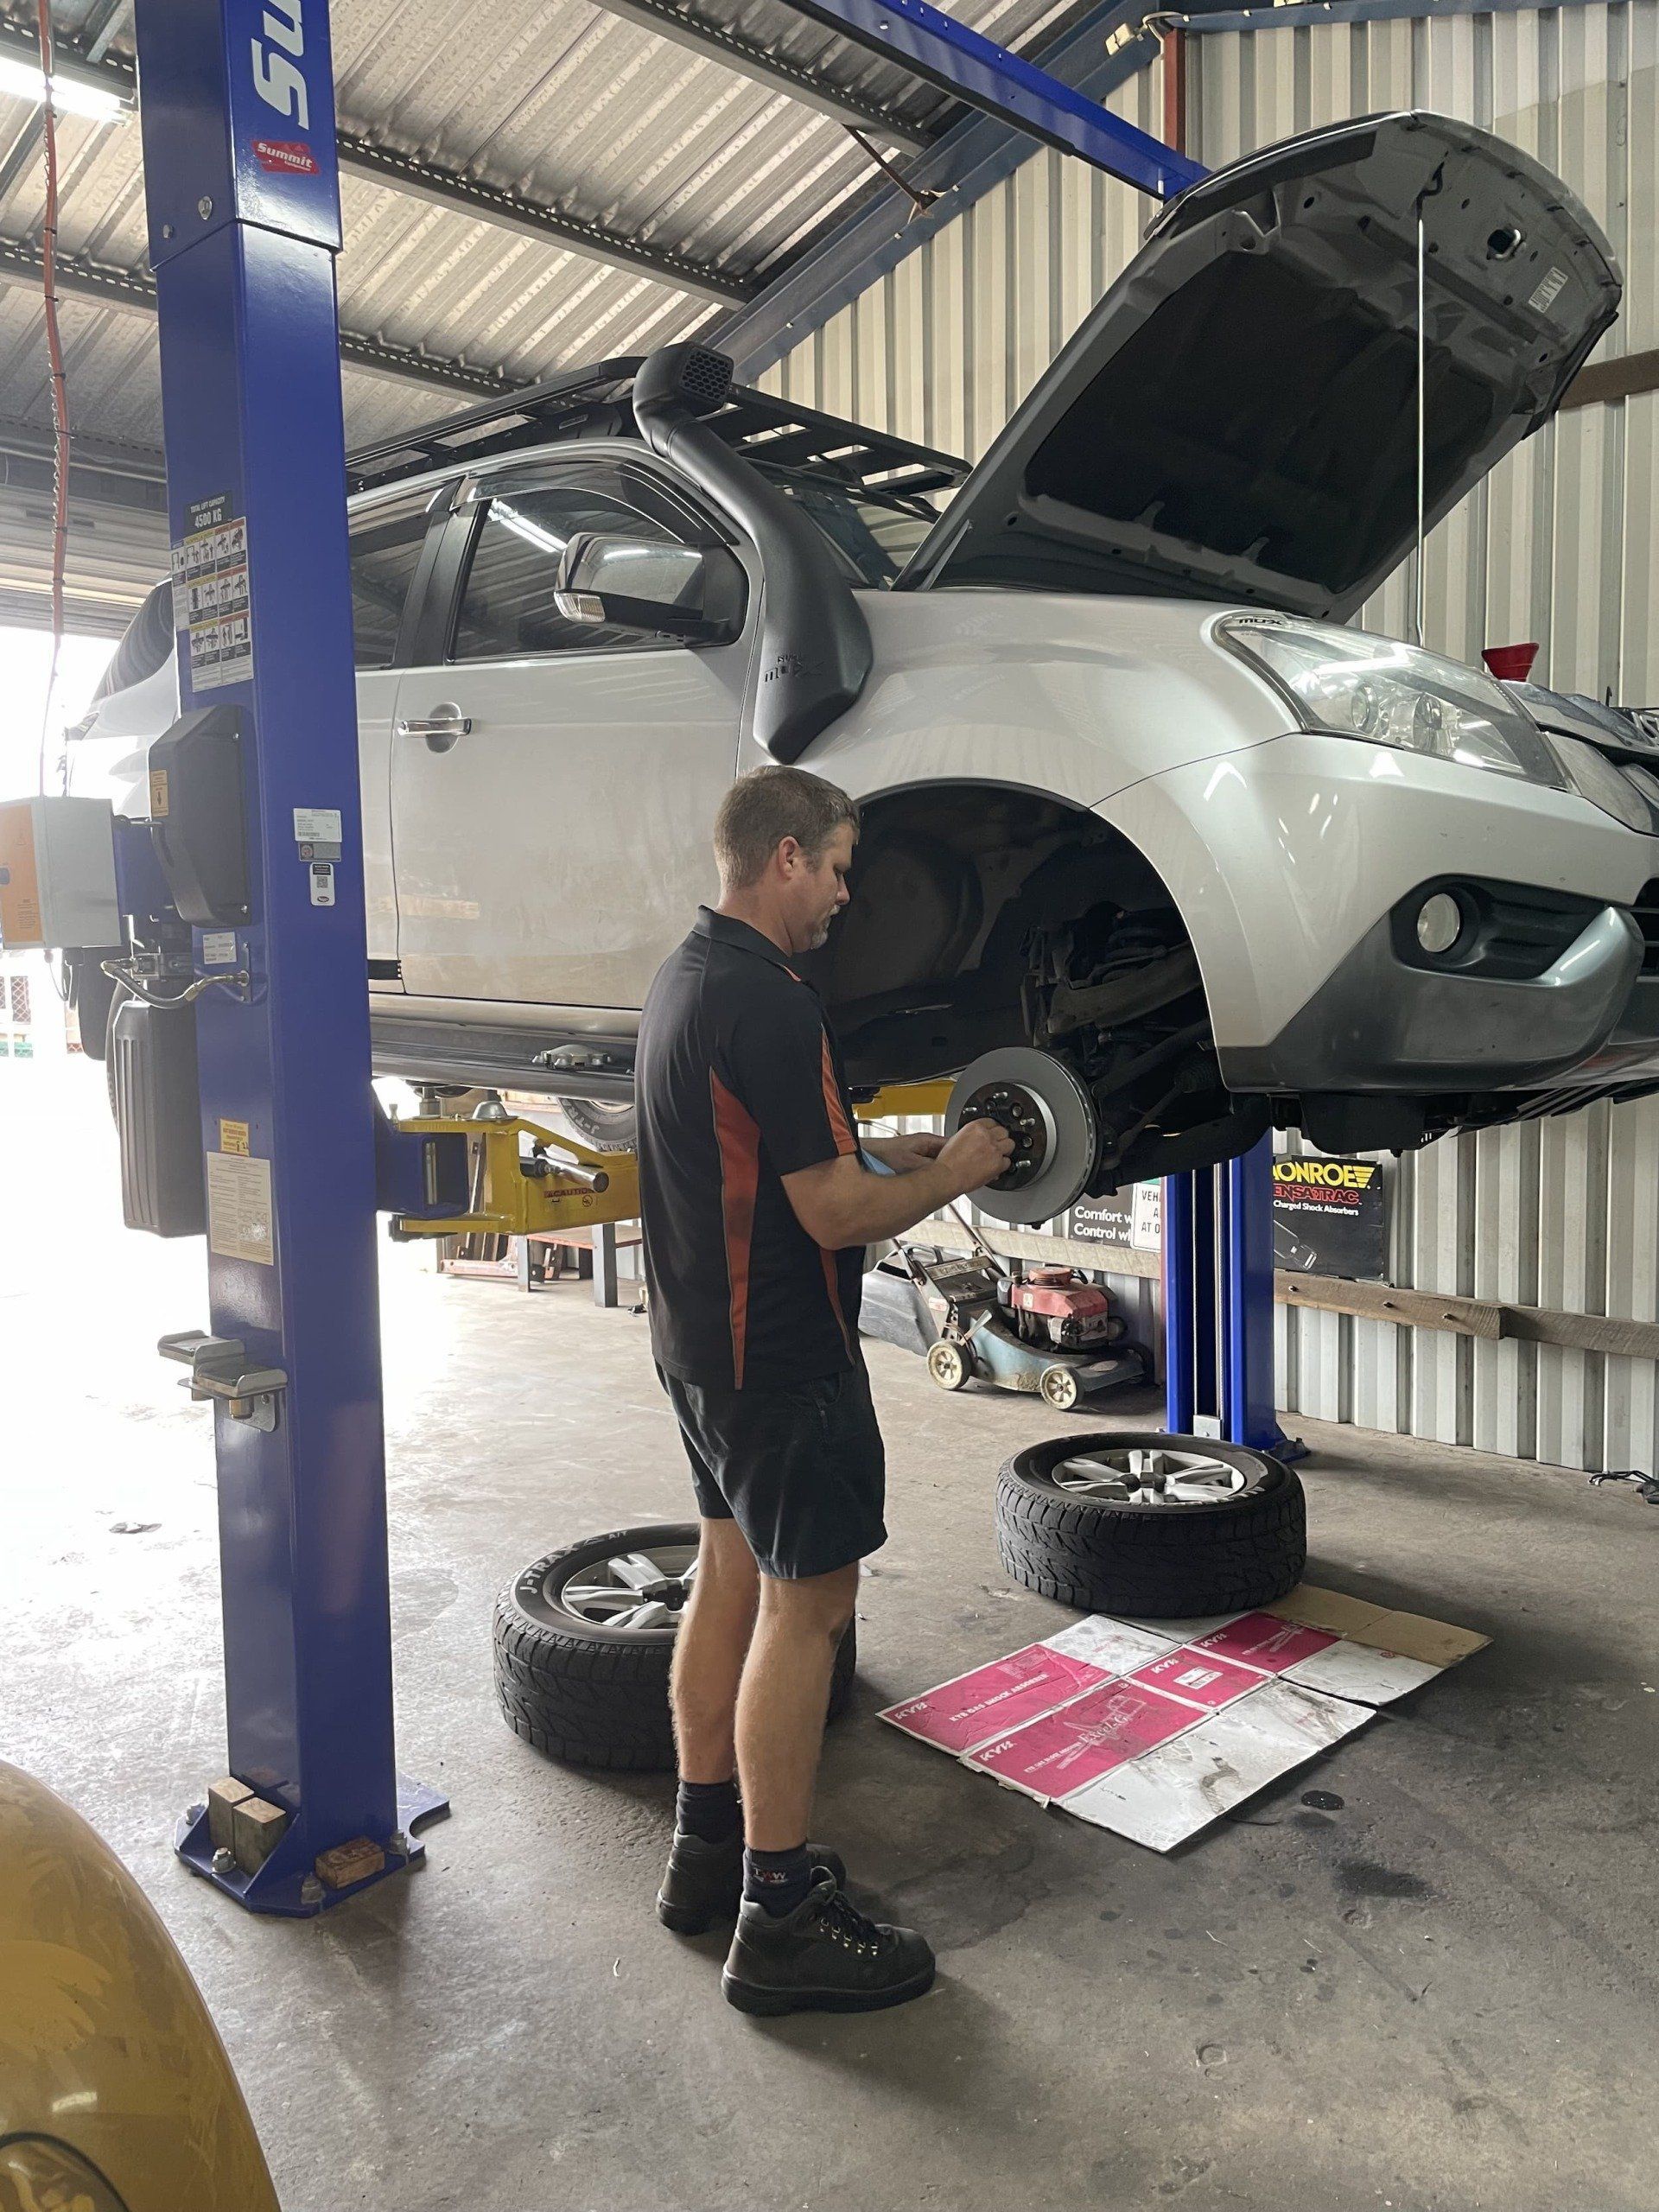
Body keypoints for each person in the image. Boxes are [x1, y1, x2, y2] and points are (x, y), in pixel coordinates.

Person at [635, 763, 1014, 2017]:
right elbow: (834, 1209)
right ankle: (781, 1917)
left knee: (728, 1572)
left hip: (698, 1344)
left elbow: (791, 1149)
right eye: (840, 868)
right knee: (811, 1608)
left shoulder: (688, 978)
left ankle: (704, 1849)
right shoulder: (774, 1002)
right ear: (787, 857)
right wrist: (954, 1168)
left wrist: (886, 1150)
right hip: (783, 1356)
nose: (848, 895)